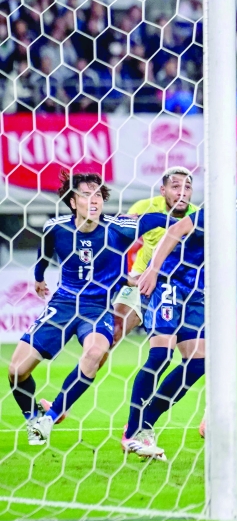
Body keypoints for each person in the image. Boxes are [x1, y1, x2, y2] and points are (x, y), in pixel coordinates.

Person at [125, 144, 237, 460]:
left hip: (197, 289)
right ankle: (135, 430)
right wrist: (153, 269)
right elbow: (178, 228)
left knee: (198, 363)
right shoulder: (230, 202)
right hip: (172, 280)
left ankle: (144, 425)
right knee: (161, 355)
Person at [9, 172, 155, 444]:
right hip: (63, 304)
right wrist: (39, 279)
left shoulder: (119, 229)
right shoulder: (56, 228)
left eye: (98, 194)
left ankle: (49, 418)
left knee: (97, 351)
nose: (94, 200)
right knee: (17, 372)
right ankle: (33, 418)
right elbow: (44, 256)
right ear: (73, 201)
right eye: (86, 194)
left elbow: (155, 221)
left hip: (97, 309)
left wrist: (190, 220)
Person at [109, 167, 197, 351]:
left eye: (187, 187)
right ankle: (86, 372)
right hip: (143, 279)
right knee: (112, 332)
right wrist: (123, 275)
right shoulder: (145, 208)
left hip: (179, 286)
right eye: (175, 186)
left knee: (193, 357)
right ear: (163, 190)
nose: (182, 192)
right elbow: (117, 238)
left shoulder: (198, 217)